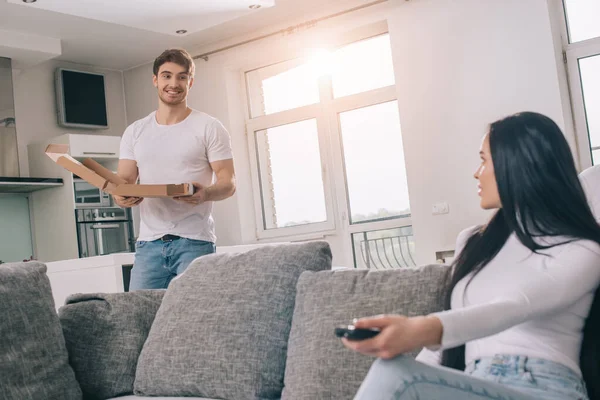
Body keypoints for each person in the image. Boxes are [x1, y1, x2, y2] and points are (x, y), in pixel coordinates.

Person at [343, 112, 600, 400]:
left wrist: (420, 328)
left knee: (395, 373)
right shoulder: (474, 242)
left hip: (543, 388)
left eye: (484, 160)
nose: (476, 172)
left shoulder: (583, 249)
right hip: (474, 383)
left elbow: (515, 306)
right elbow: (440, 352)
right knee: (393, 369)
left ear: (517, 165)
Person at [115, 48, 235, 290]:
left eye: (182, 76)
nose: (174, 83)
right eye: (167, 76)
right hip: (148, 245)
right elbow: (123, 181)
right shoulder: (135, 131)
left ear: (191, 82)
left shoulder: (209, 127)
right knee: (137, 316)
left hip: (195, 243)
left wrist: (206, 193)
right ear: (155, 80)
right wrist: (121, 195)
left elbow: (228, 182)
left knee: (194, 318)